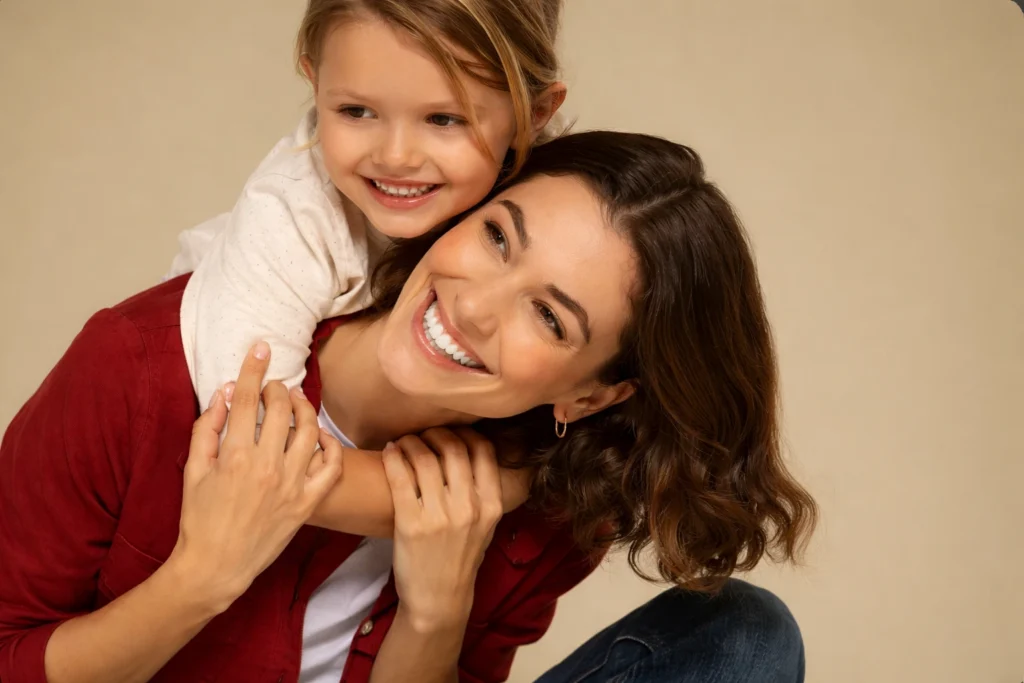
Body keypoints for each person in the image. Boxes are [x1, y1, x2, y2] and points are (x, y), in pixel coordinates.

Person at [0, 131, 816, 683]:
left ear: (591, 392)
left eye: (549, 315)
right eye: (499, 237)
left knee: (744, 636)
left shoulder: (547, 517)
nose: (475, 306)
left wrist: (434, 611)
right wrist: (199, 579)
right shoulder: (143, 365)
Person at [169, 0, 567, 421]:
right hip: (190, 378)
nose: (396, 157)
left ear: (533, 114)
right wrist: (388, 484)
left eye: (444, 119)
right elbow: (250, 435)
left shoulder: (551, 200)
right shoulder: (287, 217)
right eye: (356, 111)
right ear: (315, 83)